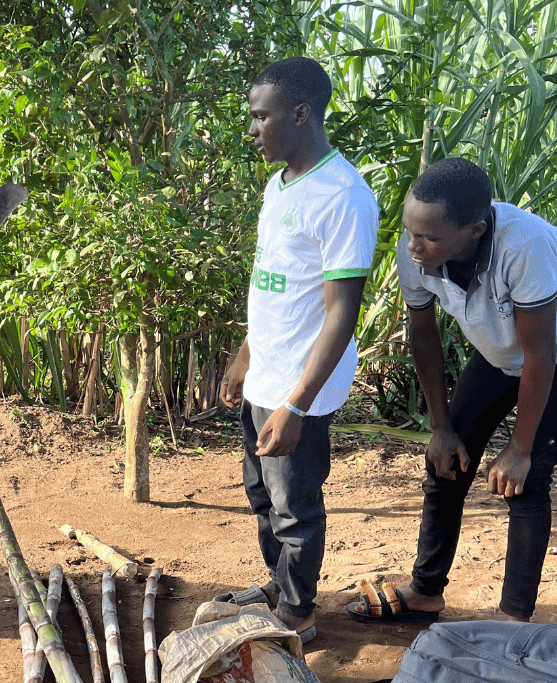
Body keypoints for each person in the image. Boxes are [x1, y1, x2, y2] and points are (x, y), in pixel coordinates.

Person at [347, 158, 557, 624]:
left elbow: (540, 355)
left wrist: (519, 448)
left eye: (429, 237)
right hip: (501, 355)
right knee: (446, 462)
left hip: (551, 359)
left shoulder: (526, 246)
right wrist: (440, 427)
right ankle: (425, 592)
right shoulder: (415, 248)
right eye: (409, 231)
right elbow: (422, 333)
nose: (413, 245)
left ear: (476, 230)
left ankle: (513, 618)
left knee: (525, 483)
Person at [217, 57, 380, 643]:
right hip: (267, 371)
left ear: (302, 113)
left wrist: (297, 404)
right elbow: (271, 281)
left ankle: (298, 614)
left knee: (294, 506)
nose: (252, 129)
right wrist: (244, 355)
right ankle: (278, 584)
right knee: (261, 493)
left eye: (262, 117)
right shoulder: (278, 183)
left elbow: (342, 311)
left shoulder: (343, 197)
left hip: (299, 385)